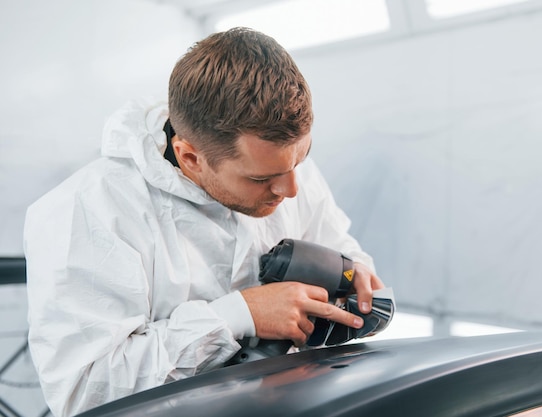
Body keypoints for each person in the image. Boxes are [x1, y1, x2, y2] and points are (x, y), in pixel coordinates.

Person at [23, 27, 383, 417]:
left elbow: (340, 246)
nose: (292, 189)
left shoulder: (287, 169)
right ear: (190, 157)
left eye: (302, 158)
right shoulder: (88, 211)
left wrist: (354, 272)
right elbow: (83, 393)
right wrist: (237, 316)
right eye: (261, 179)